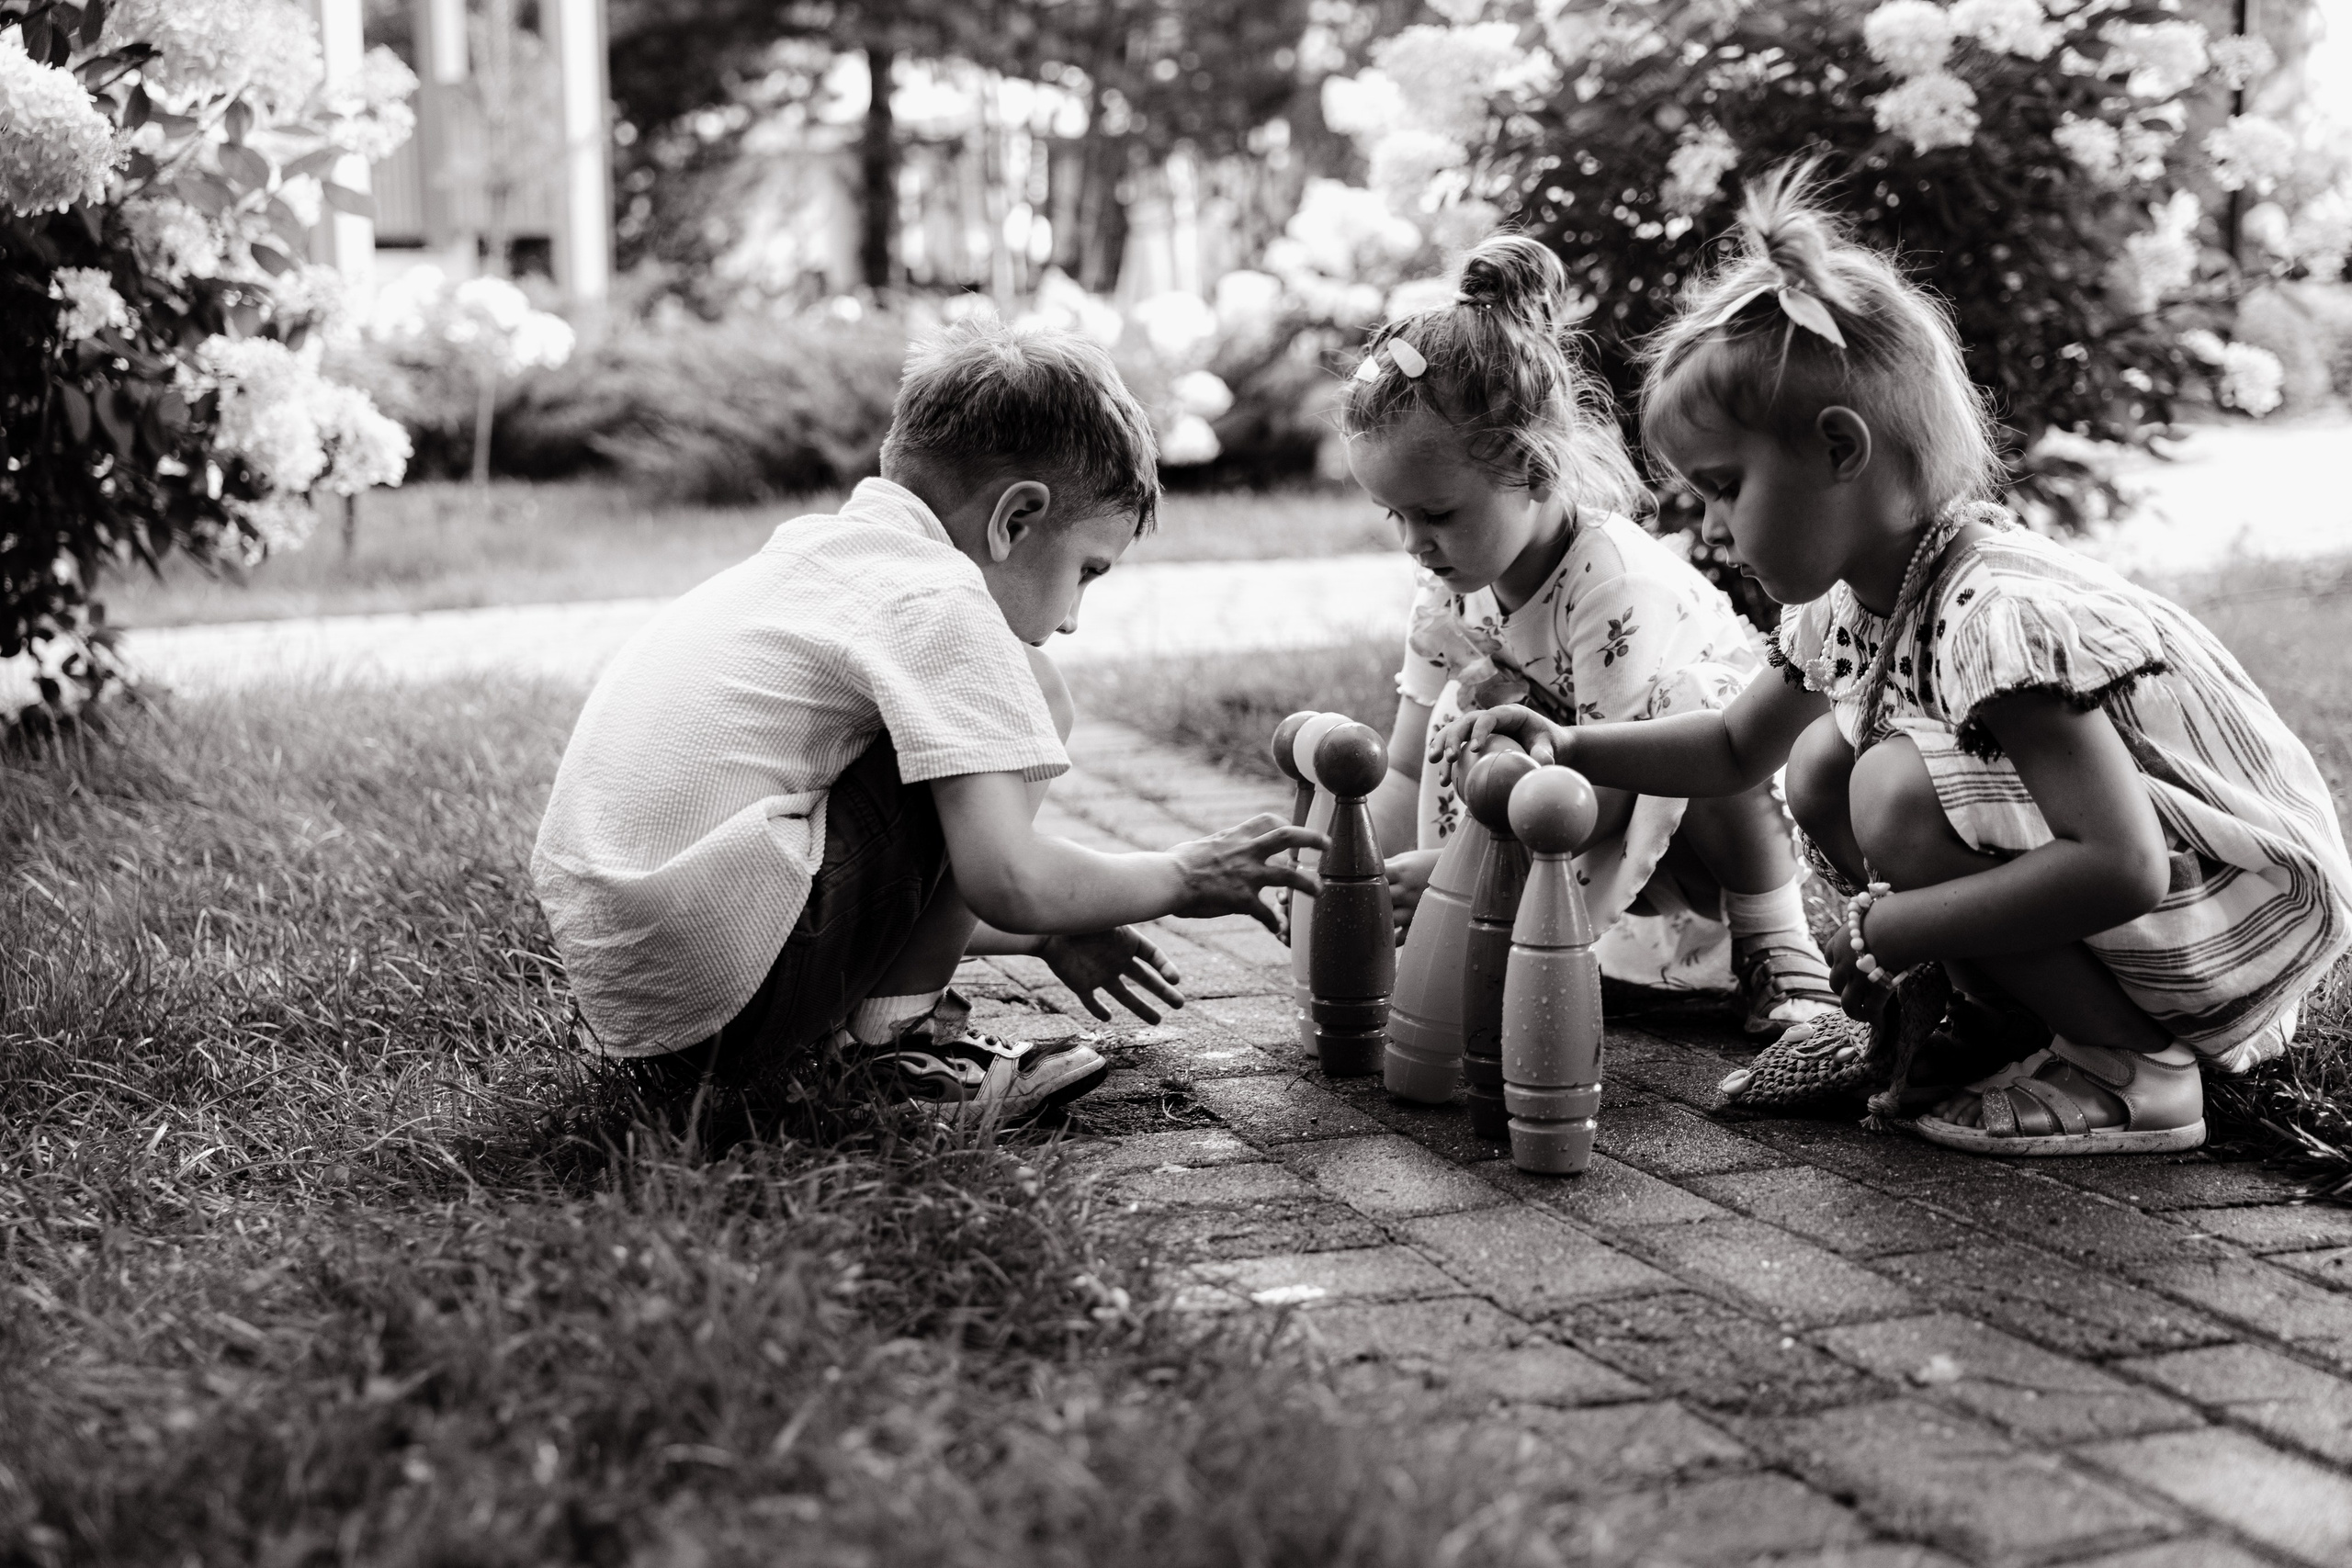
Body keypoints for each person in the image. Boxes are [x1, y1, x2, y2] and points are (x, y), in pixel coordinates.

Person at [1439, 164, 2352, 1156]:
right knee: (1824, 761)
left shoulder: (1992, 615)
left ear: (1840, 450)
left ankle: (2133, 1072)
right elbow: (1733, 750)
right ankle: (2015, 1021)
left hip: (2232, 912)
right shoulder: (1859, 600)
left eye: (1723, 489)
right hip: (2156, 902)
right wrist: (1570, 745)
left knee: (1890, 789)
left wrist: (1899, 929)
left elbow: (2124, 863)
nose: (1707, 531)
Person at [532, 317, 1320, 1127]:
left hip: (645, 1008)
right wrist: (1185, 875)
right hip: (725, 998)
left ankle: (868, 1039)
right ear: (1015, 520)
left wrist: (1048, 939)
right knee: (1033, 687)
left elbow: (824, 888)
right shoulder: (940, 597)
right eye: (1087, 571)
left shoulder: (815, 557)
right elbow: (1007, 878)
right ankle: (895, 1057)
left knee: (976, 717)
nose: (1076, 615)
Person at [1345, 231, 1839, 1039]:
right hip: (1574, 811)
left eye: (1436, 514)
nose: (1414, 542)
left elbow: (1608, 784)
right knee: (1471, 728)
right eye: (1393, 515)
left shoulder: (1611, 579)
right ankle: (1503, 930)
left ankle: (1780, 949)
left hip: (1706, 808)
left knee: (1699, 706)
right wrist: (1369, 876)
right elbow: (1406, 762)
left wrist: (1457, 873)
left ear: (1535, 476)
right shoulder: (1444, 590)